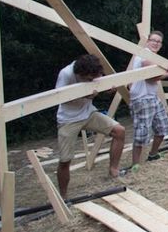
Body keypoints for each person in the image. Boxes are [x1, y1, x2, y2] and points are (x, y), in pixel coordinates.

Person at [55, 54, 128, 197]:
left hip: (88, 113)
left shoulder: (94, 70)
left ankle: (114, 171)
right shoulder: (66, 74)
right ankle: (63, 197)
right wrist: (86, 95)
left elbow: (101, 83)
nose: (91, 81)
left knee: (119, 131)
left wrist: (107, 90)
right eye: (88, 79)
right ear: (79, 74)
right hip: (68, 119)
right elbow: (60, 98)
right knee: (65, 160)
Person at [129, 31, 168, 169]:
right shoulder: (144, 55)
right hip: (141, 99)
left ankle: (153, 154)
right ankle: (135, 164)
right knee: (142, 133)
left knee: (163, 127)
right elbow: (151, 77)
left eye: (158, 42)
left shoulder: (153, 57)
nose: (156, 43)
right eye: (153, 40)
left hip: (152, 97)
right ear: (148, 41)